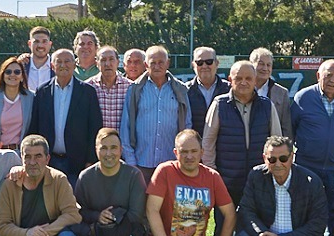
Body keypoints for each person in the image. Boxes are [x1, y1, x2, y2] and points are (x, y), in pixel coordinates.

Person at [201, 60, 281, 236]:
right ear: (230, 81)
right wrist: (213, 175)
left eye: (249, 78)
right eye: (239, 78)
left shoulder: (267, 105)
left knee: (257, 224)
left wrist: (272, 173)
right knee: (222, 222)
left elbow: (276, 141)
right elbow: (208, 143)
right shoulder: (219, 104)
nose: (244, 82)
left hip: (259, 181)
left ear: (256, 80)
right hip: (226, 179)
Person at [146, 129, 235, 236]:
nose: (189, 156)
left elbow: (230, 213)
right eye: (184, 151)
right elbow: (151, 209)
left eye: (194, 151)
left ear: (202, 152)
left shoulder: (212, 177)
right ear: (175, 152)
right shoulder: (165, 171)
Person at [27, 48, 102, 186]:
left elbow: (95, 127)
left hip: (77, 162)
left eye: (67, 61)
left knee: (74, 203)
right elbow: (35, 126)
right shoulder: (42, 91)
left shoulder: (88, 92)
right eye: (59, 61)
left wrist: (91, 160)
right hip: (48, 160)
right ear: (52, 66)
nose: (63, 65)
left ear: (74, 65)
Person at [289, 59, 334, 200]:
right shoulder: (303, 97)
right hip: (306, 167)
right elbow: (291, 128)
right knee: (305, 209)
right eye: (328, 75)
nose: (332, 80)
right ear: (318, 76)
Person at [120, 45, 190, 183]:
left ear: (168, 63)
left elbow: (187, 124)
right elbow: (125, 127)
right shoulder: (134, 90)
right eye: (153, 63)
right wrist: (131, 162)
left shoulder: (180, 90)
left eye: (161, 62)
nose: (157, 66)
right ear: (146, 65)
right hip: (141, 163)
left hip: (171, 163)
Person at [0, 56, 34, 149]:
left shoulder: (32, 98)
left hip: (22, 153)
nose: (12, 75)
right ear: (3, 75)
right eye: (8, 72)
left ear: (22, 77)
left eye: (17, 72)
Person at [249, 47, 292, 139]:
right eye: (261, 64)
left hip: (272, 148)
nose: (265, 68)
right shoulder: (242, 89)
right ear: (251, 65)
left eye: (268, 65)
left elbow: (286, 127)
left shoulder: (282, 93)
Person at [185, 45, 229, 135]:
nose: (204, 66)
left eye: (209, 62)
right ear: (193, 65)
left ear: (217, 63)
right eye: (199, 63)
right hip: (196, 146)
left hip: (223, 146)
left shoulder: (229, 89)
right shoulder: (185, 91)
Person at [87, 45, 131, 130]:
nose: (107, 64)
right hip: (97, 142)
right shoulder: (88, 87)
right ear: (97, 63)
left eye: (111, 59)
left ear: (118, 62)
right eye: (103, 60)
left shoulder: (130, 87)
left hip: (122, 142)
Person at [20, 25, 54, 92]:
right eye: (36, 41)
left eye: (44, 41)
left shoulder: (56, 66)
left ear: (50, 44)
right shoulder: (21, 65)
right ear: (29, 44)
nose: (40, 45)